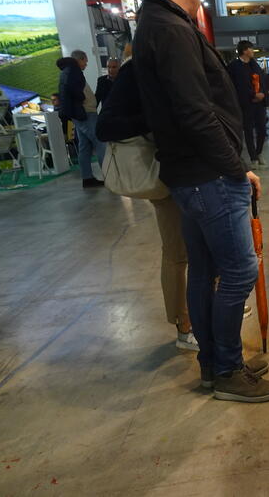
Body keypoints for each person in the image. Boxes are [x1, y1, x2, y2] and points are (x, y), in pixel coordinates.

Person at [133, 0, 269, 403]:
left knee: (204, 271)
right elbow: (197, 114)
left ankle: (214, 366)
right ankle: (228, 369)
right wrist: (237, 169)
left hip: (189, 175)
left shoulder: (154, 25)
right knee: (239, 271)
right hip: (208, 176)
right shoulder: (172, 29)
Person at [95, 53, 197, 351]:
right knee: (177, 252)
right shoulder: (137, 70)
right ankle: (184, 325)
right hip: (164, 176)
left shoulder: (175, 61)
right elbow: (106, 127)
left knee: (206, 247)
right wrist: (156, 119)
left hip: (197, 169)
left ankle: (208, 311)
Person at [56, 49, 105, 187]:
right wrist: (83, 98)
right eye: (85, 61)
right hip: (85, 113)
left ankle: (87, 178)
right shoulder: (73, 71)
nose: (86, 64)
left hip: (79, 114)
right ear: (80, 59)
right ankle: (109, 175)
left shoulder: (66, 71)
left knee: (84, 147)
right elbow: (75, 91)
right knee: (100, 142)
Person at [227, 40, 268, 168]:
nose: (252, 51)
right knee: (248, 130)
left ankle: (259, 152)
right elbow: (237, 86)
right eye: (251, 49)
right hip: (246, 104)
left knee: (262, 128)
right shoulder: (234, 66)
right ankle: (253, 158)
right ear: (244, 50)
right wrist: (252, 95)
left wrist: (262, 93)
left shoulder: (254, 64)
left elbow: (262, 79)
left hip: (259, 103)